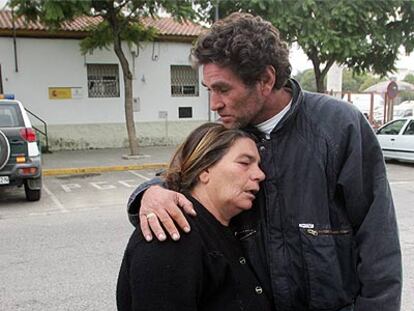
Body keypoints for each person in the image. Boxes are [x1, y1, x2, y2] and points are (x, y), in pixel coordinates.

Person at [127, 13, 402, 311]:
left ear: (265, 80)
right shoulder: (227, 133)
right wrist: (149, 192)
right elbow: (185, 175)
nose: (214, 104)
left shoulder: (338, 126)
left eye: (223, 89)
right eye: (210, 91)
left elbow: (378, 240)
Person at [117, 122, 272, 311]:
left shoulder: (226, 226)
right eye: (244, 163)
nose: (259, 174)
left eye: (258, 165)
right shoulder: (172, 234)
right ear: (204, 170)